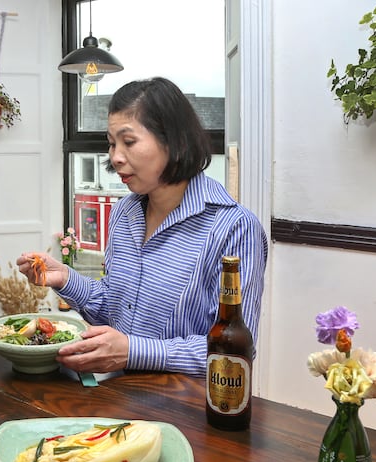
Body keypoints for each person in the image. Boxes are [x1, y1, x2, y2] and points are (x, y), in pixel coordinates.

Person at [17, 77, 267, 377]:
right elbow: (115, 309)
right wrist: (66, 279)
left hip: (186, 402)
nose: (115, 157)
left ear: (176, 141)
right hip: (119, 394)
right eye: (112, 143)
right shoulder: (124, 212)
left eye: (129, 142)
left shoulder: (234, 228)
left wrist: (133, 352)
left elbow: (233, 353)